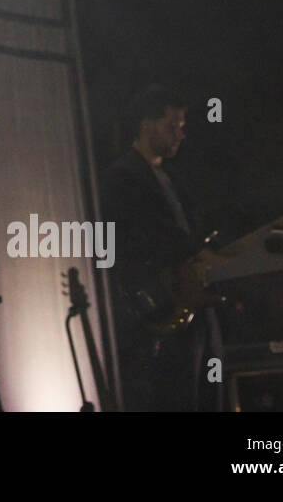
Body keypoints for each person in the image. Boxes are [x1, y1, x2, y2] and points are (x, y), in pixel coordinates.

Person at [101, 85, 224, 411]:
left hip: (192, 300)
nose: (180, 135)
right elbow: (133, 240)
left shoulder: (172, 180)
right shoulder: (121, 178)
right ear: (146, 125)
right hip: (159, 305)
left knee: (206, 390)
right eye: (173, 126)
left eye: (181, 127)